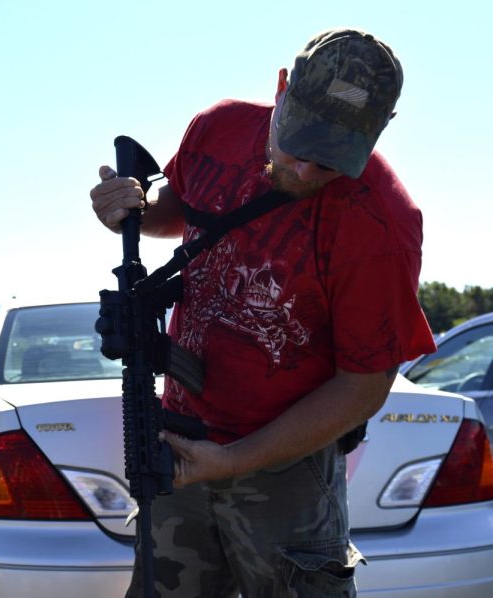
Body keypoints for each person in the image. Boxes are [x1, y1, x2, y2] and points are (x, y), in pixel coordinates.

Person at [90, 29, 436, 597]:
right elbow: (174, 211)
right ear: (280, 88)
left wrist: (232, 460)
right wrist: (129, 207)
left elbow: (364, 387)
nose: (305, 173)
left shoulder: (381, 222)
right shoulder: (218, 128)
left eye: (329, 161)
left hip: (286, 467)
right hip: (178, 445)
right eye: (297, 147)